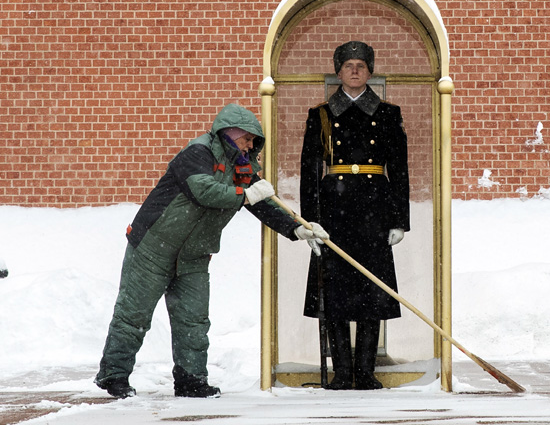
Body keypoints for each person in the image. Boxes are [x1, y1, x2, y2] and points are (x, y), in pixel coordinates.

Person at [95, 102, 328, 399]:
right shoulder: (197, 153)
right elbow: (202, 190)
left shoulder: (243, 168)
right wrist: (244, 195)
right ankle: (114, 376)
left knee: (193, 321)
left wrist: (297, 228)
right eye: (246, 139)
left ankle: (191, 380)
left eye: (254, 141)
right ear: (229, 133)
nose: (250, 145)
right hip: (153, 248)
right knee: (133, 316)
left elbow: (266, 206)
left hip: (194, 255)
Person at [300, 41, 410, 390]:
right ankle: (341, 372)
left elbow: (400, 170)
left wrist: (398, 220)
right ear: (338, 71)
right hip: (335, 211)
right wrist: (310, 221)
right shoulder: (320, 114)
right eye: (348, 65)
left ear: (370, 71)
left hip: (374, 210)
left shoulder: (388, 114)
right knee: (334, 294)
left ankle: (365, 371)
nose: (355, 71)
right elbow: (309, 172)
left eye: (361, 65)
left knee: (371, 291)